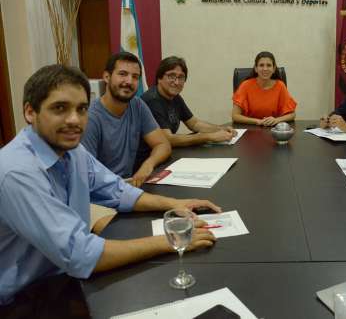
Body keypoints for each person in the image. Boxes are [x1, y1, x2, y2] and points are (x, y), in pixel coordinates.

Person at [0, 65, 220, 312]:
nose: (74, 120)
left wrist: (174, 204)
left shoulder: (74, 151)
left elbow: (118, 191)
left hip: (64, 277)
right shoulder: (16, 172)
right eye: (60, 108)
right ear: (30, 112)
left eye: (81, 109)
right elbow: (80, 254)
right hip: (23, 299)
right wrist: (172, 241)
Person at [82, 52, 171, 187]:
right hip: (102, 193)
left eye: (135, 77)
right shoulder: (90, 118)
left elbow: (163, 145)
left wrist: (148, 164)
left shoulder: (137, 105)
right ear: (106, 77)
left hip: (129, 185)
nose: (129, 81)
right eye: (122, 74)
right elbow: (87, 175)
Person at [140, 56, 236, 153]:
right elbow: (167, 139)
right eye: (171, 76)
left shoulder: (175, 97)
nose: (176, 82)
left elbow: (194, 123)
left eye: (181, 77)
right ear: (159, 78)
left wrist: (220, 129)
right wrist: (209, 136)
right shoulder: (152, 100)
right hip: (146, 158)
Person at [232, 51, 297, 126]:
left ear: (273, 69)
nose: (265, 69)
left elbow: (292, 114)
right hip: (251, 129)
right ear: (256, 68)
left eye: (269, 65)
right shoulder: (245, 85)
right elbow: (235, 116)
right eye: (261, 65)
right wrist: (257, 121)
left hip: (273, 129)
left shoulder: (280, 86)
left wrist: (276, 120)